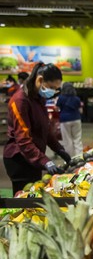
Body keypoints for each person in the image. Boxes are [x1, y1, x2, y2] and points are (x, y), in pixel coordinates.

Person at [3, 63, 71, 193]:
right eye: (51, 87)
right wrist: (45, 161)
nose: (53, 92)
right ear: (40, 80)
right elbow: (23, 140)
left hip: (33, 159)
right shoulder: (20, 101)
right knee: (24, 201)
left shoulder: (38, 99)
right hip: (20, 160)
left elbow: (45, 129)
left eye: (56, 89)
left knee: (35, 197)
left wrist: (60, 149)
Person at [57, 82, 83, 157]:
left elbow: (57, 108)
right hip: (76, 119)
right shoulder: (77, 98)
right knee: (77, 138)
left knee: (67, 140)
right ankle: (79, 156)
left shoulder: (61, 98)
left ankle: (70, 158)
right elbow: (81, 111)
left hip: (64, 120)